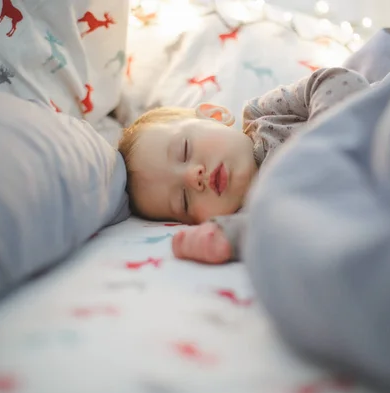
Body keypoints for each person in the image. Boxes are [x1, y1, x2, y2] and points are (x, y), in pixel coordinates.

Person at [118, 67, 370, 263]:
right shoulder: (257, 217)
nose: (193, 177)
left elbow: (337, 80)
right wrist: (227, 237)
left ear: (215, 115)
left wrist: (325, 146)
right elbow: (286, 238)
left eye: (185, 151)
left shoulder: (265, 114)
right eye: (183, 200)